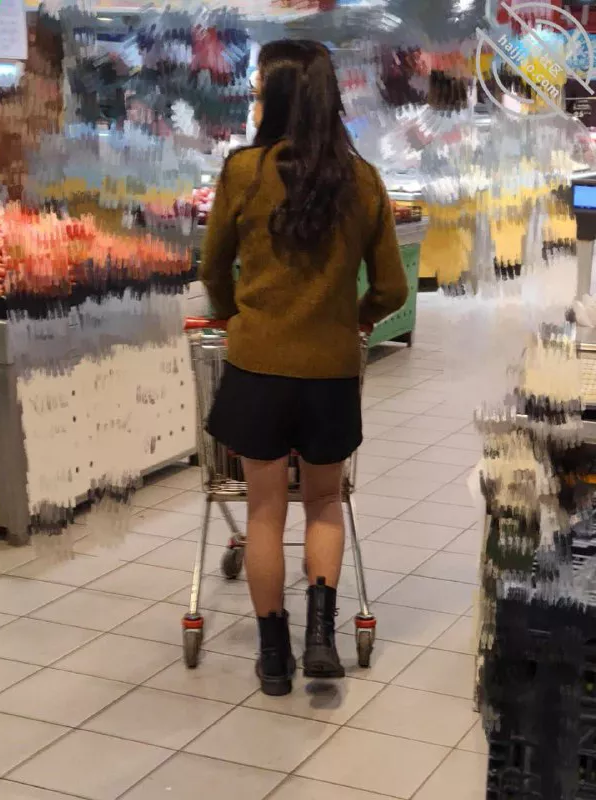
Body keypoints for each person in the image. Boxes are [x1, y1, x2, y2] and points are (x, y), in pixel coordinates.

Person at [201, 39, 408, 696]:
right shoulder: (363, 180)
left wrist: (235, 315)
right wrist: (356, 319)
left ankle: (273, 658)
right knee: (323, 503)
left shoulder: (244, 172)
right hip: (330, 374)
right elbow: (393, 288)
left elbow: (212, 269)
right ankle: (321, 637)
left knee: (264, 513)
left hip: (257, 368)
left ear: (275, 94)